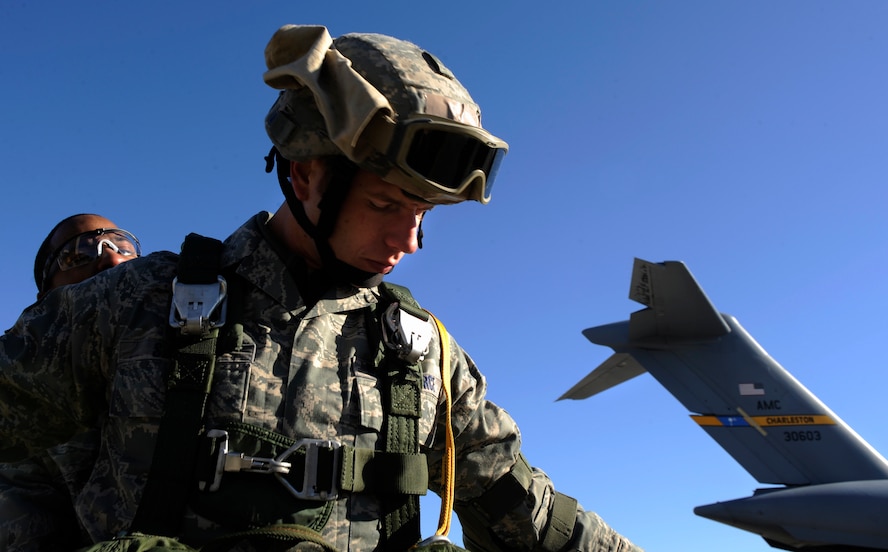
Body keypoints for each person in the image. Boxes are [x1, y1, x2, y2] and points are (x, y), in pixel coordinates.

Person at [0, 25, 642, 552]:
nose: (410, 241)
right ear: (306, 177)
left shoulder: (422, 354)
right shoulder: (129, 304)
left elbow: (520, 503)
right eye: (389, 204)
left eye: (424, 214)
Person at [0, 214, 142, 549]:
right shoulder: (22, 405)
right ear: (44, 299)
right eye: (77, 257)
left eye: (124, 247)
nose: (110, 258)